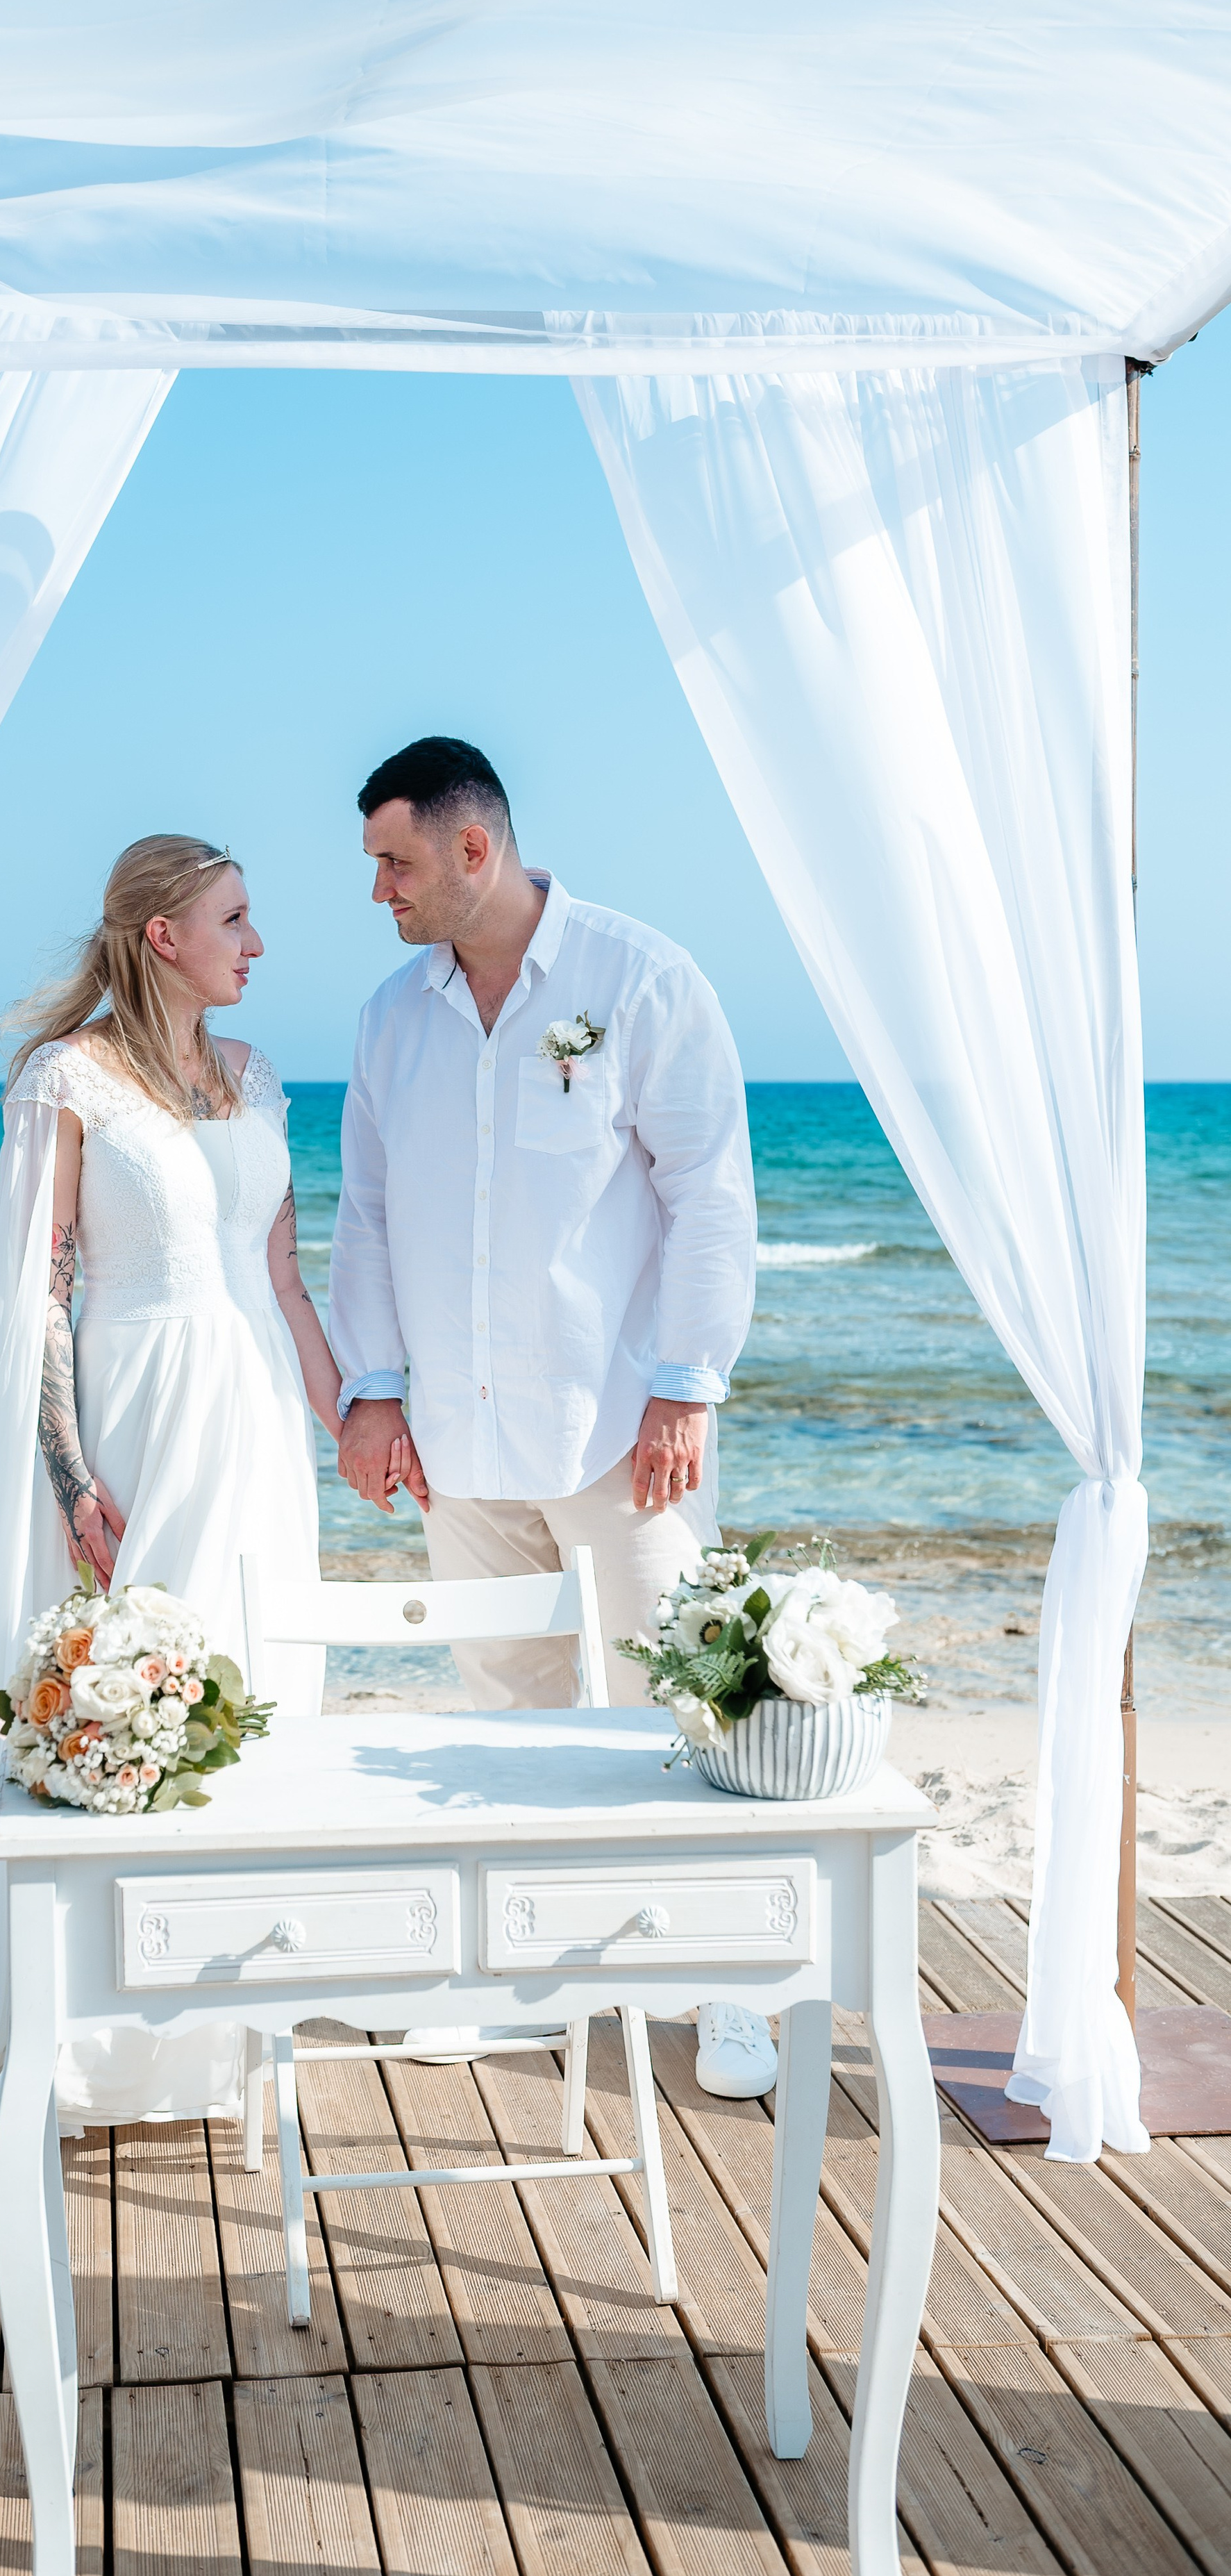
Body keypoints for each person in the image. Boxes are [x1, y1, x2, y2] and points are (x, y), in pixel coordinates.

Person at [0, 836, 392, 2145]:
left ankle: (216, 2017)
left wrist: (353, 1418)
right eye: (237, 917)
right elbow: (44, 1290)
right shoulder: (69, 1079)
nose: (258, 943)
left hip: (261, 1414)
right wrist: (68, 1475)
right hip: (142, 1407)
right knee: (136, 1677)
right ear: (165, 934)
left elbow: (284, 1277)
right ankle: (99, 2027)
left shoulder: (257, 1077)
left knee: (253, 1679)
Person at [327, 736, 774, 2100]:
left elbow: (707, 1185)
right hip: (458, 1443)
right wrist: (371, 1387)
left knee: (686, 1706)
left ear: (473, 850)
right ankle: (523, 1968)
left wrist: (688, 1380)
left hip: (619, 1433)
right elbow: (369, 1210)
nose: (378, 892)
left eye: (393, 862)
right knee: (502, 1718)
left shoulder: (638, 979)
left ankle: (727, 1978)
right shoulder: (391, 1018)